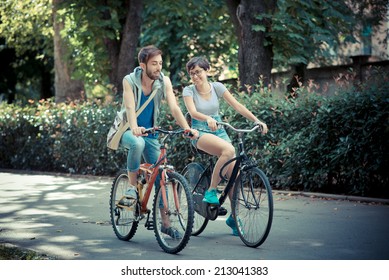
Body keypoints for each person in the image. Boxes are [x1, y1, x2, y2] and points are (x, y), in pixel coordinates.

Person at [182, 56, 268, 236]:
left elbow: (237, 105)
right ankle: (211, 191)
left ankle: (234, 219)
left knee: (234, 175)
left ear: (207, 70)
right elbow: (193, 112)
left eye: (198, 72)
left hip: (219, 130)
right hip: (200, 131)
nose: (195, 76)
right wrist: (208, 118)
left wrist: (257, 120)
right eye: (192, 74)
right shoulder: (188, 91)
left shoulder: (217, 87)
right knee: (229, 150)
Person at [118, 45, 198, 238]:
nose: (158, 67)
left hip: (151, 133)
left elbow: (174, 107)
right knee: (138, 144)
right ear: (142, 64)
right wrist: (135, 127)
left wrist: (187, 128)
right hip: (128, 130)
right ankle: (132, 188)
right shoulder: (129, 80)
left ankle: (165, 224)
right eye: (154, 63)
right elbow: (129, 107)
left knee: (162, 175)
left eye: (160, 63)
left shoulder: (164, 81)